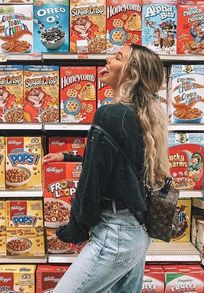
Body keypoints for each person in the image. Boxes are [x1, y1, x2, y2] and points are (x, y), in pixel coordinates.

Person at [52, 44, 170, 293]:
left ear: (131, 74)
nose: (108, 58)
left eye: (118, 57)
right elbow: (122, 163)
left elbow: (91, 182)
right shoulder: (143, 115)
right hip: (136, 232)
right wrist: (68, 156)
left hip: (114, 236)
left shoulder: (110, 114)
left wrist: (75, 229)